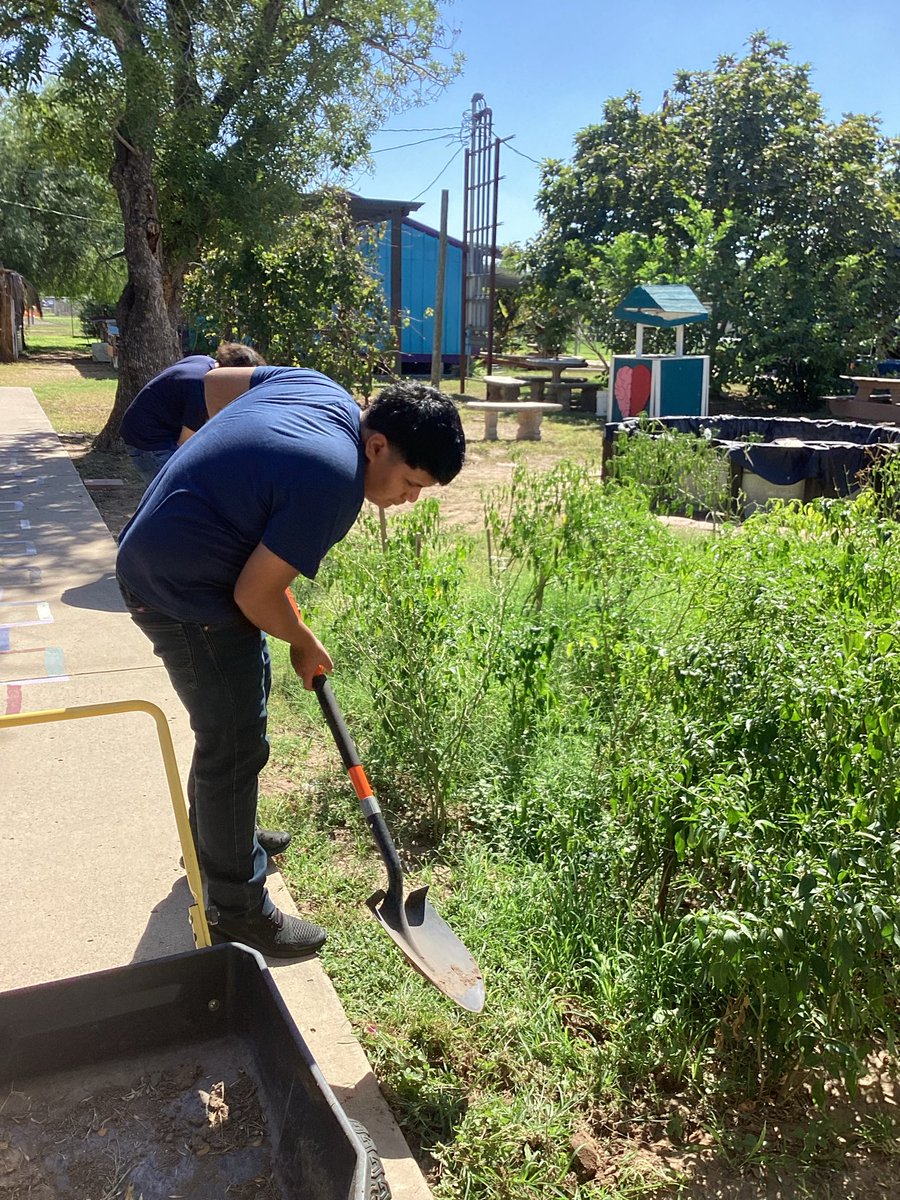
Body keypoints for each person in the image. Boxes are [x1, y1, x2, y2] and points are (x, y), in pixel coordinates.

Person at [116, 367, 466, 959]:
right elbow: (257, 596)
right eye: (411, 482)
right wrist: (303, 639)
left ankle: (218, 841)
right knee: (235, 739)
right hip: (181, 591)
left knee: (231, 716)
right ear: (377, 445)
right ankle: (236, 909)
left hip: (175, 557)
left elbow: (213, 384)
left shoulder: (320, 387)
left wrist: (235, 480)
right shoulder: (333, 479)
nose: (410, 500)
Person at [120, 343, 266, 485]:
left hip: (148, 426)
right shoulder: (202, 386)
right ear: (232, 373)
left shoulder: (204, 361)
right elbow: (186, 446)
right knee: (176, 495)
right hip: (151, 442)